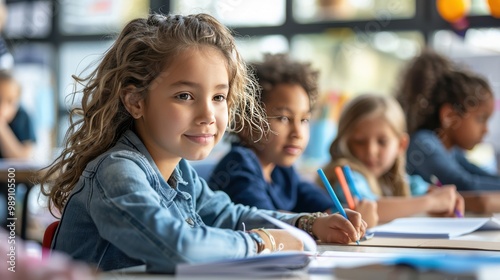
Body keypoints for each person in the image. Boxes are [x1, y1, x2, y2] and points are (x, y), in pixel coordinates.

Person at [40, 14, 366, 274]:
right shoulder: (117, 171)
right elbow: (177, 246)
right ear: (135, 101)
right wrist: (264, 242)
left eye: (219, 97)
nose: (208, 115)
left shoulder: (179, 173)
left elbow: (230, 214)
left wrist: (308, 224)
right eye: (185, 96)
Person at [208, 53, 377, 223]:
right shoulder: (238, 166)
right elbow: (265, 221)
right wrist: (316, 222)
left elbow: (316, 200)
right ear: (246, 124)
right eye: (283, 118)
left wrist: (345, 215)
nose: (297, 132)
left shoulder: (280, 171)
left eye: (304, 120)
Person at [321, 94, 464, 224]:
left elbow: (419, 189)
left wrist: (443, 197)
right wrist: (431, 202)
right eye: (359, 141)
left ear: (401, 145)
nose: (371, 151)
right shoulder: (346, 176)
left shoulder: (395, 179)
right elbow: (371, 208)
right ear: (345, 142)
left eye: (382, 142)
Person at [396, 49, 500, 191]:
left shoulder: (451, 150)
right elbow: (466, 184)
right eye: (480, 119)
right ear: (449, 116)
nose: (486, 129)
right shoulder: (424, 143)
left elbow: (478, 174)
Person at [0, 70, 36, 159]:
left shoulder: (23, 116)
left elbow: (25, 157)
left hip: (11, 172)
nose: (3, 107)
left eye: (10, 101)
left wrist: (2, 127)